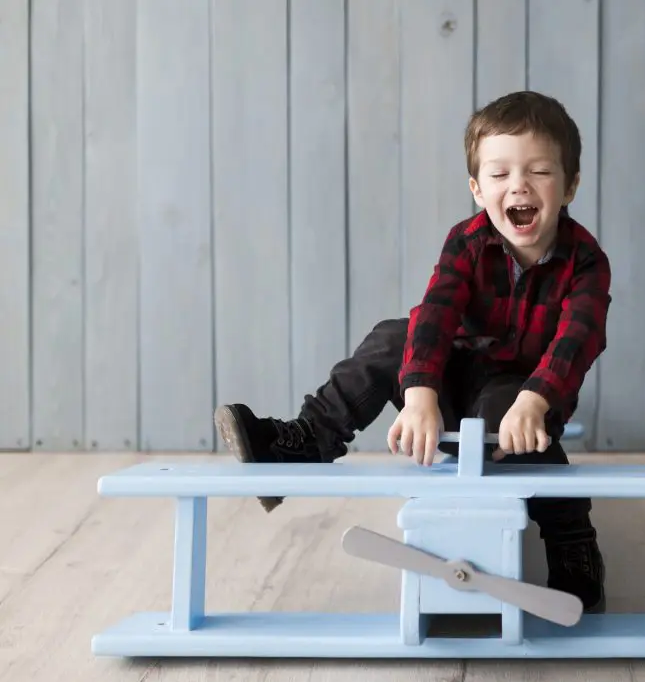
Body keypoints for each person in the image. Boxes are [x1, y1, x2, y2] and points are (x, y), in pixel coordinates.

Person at [213, 90, 612, 613]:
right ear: (476, 188)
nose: (518, 185)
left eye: (538, 171)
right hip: (451, 387)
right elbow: (436, 312)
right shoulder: (466, 243)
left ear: (570, 185)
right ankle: (308, 438)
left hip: (519, 403)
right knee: (392, 334)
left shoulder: (585, 262)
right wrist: (420, 392)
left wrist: (537, 399)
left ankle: (571, 540)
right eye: (499, 175)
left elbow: (577, 339)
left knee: (509, 419)